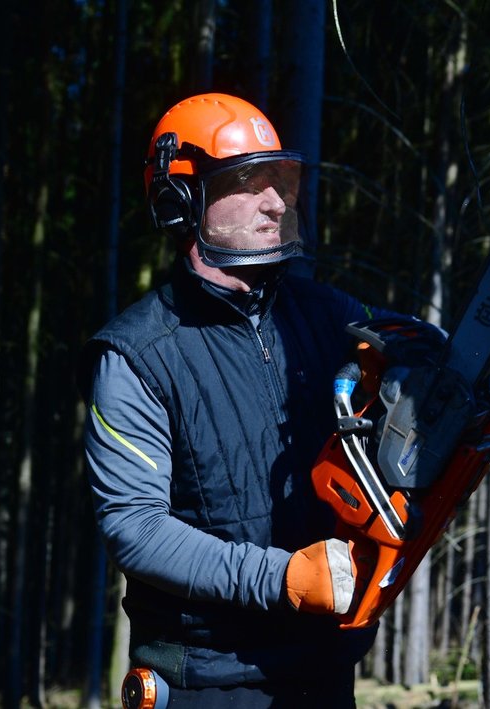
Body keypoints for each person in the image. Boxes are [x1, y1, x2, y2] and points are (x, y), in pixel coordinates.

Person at [81, 93, 385, 707]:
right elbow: (134, 527)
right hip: (206, 680)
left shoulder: (331, 317)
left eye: (279, 180)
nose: (276, 201)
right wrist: (283, 578)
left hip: (323, 672)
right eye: (249, 182)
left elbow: (413, 368)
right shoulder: (137, 354)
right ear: (180, 199)